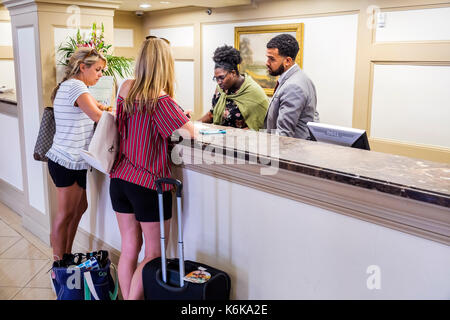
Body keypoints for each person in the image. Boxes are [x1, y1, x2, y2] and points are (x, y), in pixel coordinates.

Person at [109, 37, 197, 300]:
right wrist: (184, 115)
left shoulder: (126, 88)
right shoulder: (161, 101)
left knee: (129, 248)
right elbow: (189, 134)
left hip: (119, 179)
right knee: (153, 254)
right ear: (166, 65)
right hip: (148, 185)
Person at [46, 47, 108, 262]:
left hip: (75, 161)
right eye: (98, 69)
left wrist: (105, 108)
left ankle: (66, 256)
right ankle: (58, 267)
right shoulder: (76, 87)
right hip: (66, 161)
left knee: (80, 207)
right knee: (65, 215)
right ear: (83, 67)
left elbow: (97, 109)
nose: (101, 75)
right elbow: (98, 116)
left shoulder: (76, 87)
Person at [198, 45, 269, 130]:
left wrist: (228, 137)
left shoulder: (254, 93)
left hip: (243, 141)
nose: (218, 82)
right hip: (218, 138)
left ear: (233, 73)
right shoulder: (221, 89)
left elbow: (258, 127)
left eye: (221, 77)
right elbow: (212, 114)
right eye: (216, 78)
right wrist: (192, 125)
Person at [264, 34, 319, 139]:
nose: (267, 63)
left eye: (272, 59)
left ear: (287, 61)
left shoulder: (293, 86)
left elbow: (284, 134)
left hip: (291, 151)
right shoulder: (302, 77)